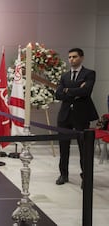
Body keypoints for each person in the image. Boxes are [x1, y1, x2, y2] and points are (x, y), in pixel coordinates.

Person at [55, 48, 99, 187]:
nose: (71, 59)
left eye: (74, 57)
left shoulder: (89, 73)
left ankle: (86, 177)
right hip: (65, 115)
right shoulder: (65, 76)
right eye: (69, 57)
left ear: (81, 58)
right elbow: (58, 94)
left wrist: (68, 90)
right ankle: (63, 174)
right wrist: (76, 89)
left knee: (83, 148)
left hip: (81, 114)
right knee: (63, 147)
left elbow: (86, 91)